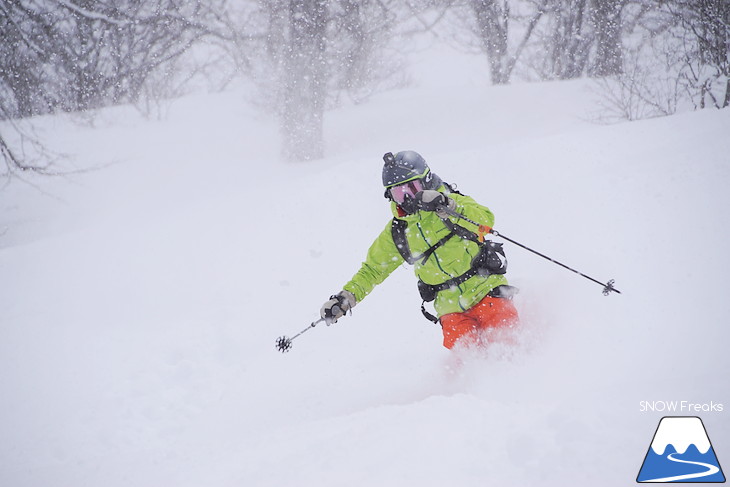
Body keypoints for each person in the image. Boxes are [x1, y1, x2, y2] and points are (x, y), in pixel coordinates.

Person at [320, 151, 519, 349]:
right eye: (398, 193)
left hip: (487, 292)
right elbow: (373, 270)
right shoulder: (398, 232)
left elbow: (486, 220)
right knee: (469, 362)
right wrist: (346, 298)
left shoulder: (451, 202)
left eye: (412, 188)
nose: (407, 198)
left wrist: (449, 207)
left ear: (426, 181)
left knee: (507, 345)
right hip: (450, 310)